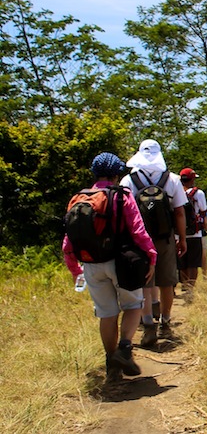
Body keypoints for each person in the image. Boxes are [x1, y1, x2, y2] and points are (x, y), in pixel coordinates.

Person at [63, 152, 157, 382]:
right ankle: (124, 348)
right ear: (116, 174)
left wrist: (76, 270)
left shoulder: (78, 198)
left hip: (91, 265)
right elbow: (138, 230)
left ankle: (111, 363)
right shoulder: (121, 195)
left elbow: (68, 242)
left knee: (107, 314)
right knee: (134, 305)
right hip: (121, 262)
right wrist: (151, 255)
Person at [121, 139, 188, 348]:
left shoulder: (128, 181)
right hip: (165, 238)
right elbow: (179, 211)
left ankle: (148, 324)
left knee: (144, 283)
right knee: (166, 282)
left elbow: (124, 213)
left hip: (139, 239)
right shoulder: (173, 179)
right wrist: (182, 238)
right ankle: (165, 322)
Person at [178, 167, 207, 301]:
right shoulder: (198, 193)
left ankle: (184, 285)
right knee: (193, 262)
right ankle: (191, 288)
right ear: (192, 179)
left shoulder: (175, 192)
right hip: (194, 233)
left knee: (182, 262)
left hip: (179, 233)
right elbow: (203, 210)